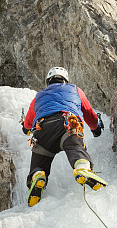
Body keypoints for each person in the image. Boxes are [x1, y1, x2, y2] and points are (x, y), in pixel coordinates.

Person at [21, 66, 106, 207]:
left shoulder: (39, 96)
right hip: (67, 125)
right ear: (65, 79)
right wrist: (95, 129)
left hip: (43, 130)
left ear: (48, 81)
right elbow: (89, 113)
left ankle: (38, 175)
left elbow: (28, 123)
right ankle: (82, 168)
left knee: (39, 163)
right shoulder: (75, 90)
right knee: (76, 149)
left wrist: (25, 128)